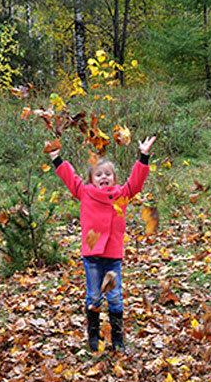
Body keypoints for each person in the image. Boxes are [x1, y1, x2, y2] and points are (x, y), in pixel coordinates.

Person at [49, 135, 156, 352]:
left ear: (115, 179)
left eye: (108, 174)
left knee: (115, 297)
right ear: (91, 179)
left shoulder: (121, 195)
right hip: (92, 256)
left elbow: (136, 183)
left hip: (113, 256)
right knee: (94, 296)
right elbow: (70, 178)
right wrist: (56, 159)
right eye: (99, 175)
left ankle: (117, 339)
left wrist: (143, 156)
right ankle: (93, 337)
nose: (104, 177)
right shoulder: (85, 192)